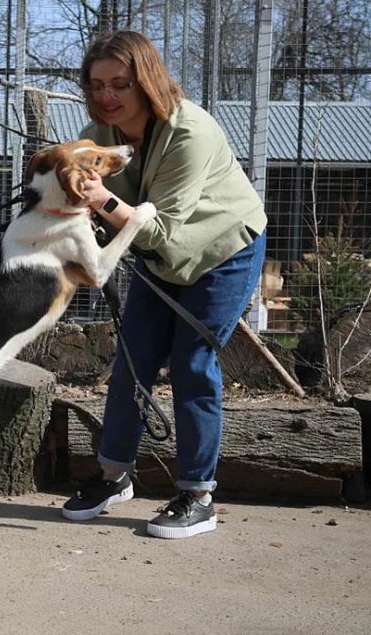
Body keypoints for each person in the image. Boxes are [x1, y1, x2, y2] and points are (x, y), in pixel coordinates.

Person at [61, 30, 267, 539]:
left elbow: (162, 231)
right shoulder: (100, 132)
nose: (107, 96)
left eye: (120, 84)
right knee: (133, 355)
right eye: (97, 84)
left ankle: (198, 495)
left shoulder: (190, 131)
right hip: (158, 257)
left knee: (191, 361)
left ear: (145, 80)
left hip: (222, 252)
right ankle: (114, 476)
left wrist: (99, 201)